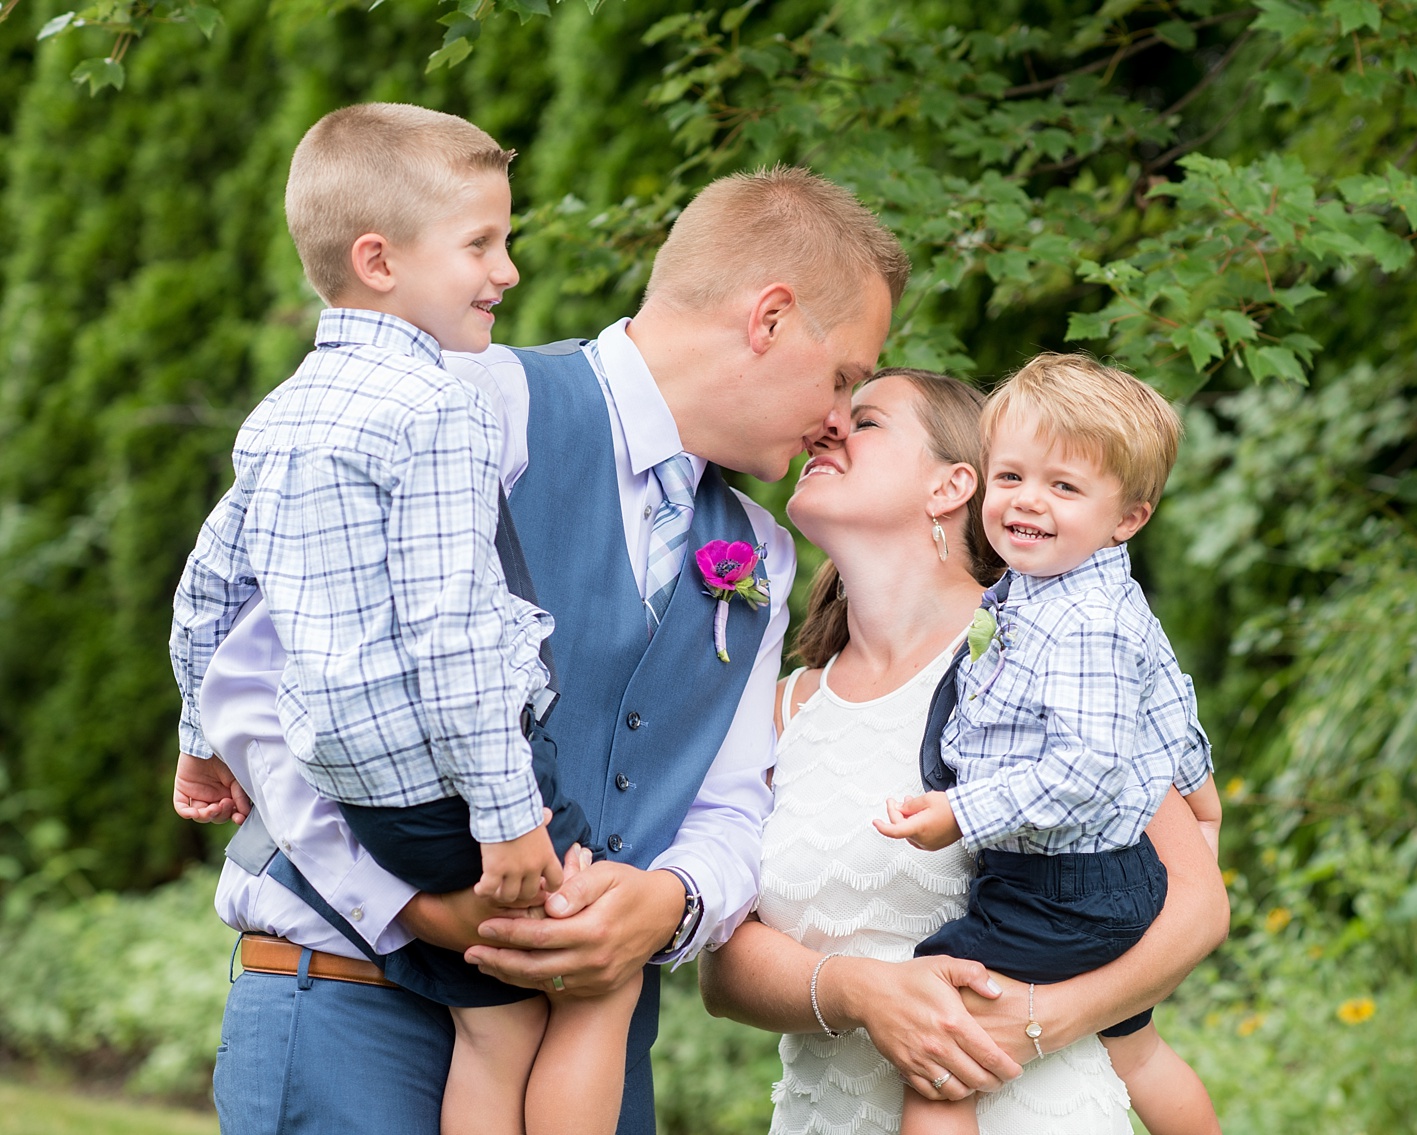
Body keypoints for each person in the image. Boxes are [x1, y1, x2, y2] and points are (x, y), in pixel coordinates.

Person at [172, 163, 906, 1135]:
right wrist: (424, 907)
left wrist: (667, 904)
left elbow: (732, 803)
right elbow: (265, 687)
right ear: (769, 318)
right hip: (356, 999)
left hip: (583, 1059)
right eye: (844, 374)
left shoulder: (760, 556)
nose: (834, 416)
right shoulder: (463, 407)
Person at [170, 102, 638, 1135]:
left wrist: (201, 747)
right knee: (553, 1006)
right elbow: (453, 629)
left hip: (360, 791)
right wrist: (506, 813)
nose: (507, 269)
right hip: (449, 795)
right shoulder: (439, 409)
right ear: (378, 260)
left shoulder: (282, 411)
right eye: (481, 243)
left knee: (509, 1011)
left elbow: (208, 589)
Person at [698, 368, 1230, 1135]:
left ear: (952, 485)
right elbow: (723, 969)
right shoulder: (781, 705)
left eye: (868, 420)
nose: (829, 427)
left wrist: (1043, 1017)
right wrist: (860, 991)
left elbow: (1197, 904)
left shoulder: (1039, 656)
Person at [871, 354, 1222, 1134]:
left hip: (1064, 888)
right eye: (1011, 477)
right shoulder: (1072, 590)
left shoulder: (1082, 621)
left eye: (1064, 486)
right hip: (1099, 881)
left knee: (937, 1025)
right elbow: (1163, 698)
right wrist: (1202, 794)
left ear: (1128, 516)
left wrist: (961, 811)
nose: (1028, 501)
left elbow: (1089, 767)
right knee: (1137, 1049)